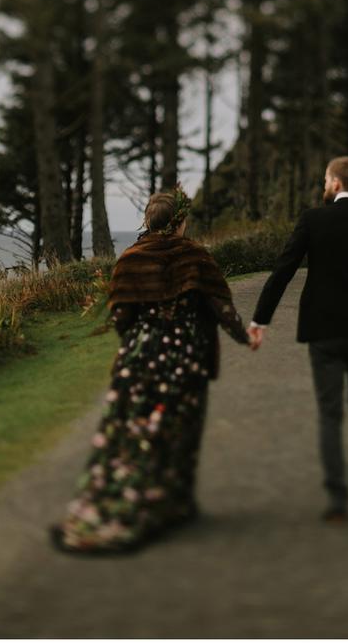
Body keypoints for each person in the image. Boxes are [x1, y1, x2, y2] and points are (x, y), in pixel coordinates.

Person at [50, 185, 253, 554]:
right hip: (184, 356)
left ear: (150, 219)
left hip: (139, 356)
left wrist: (136, 343)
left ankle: (108, 506)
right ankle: (170, 505)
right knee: (179, 429)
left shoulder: (131, 258)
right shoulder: (195, 256)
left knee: (127, 432)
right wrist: (245, 336)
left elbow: (122, 315)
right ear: (179, 222)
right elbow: (219, 305)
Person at [249, 156, 348, 522]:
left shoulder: (312, 220)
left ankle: (338, 501)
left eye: (325, 179)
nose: (323, 185)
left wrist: (261, 319)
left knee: (330, 413)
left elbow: (282, 272)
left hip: (323, 332)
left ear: (336, 183)